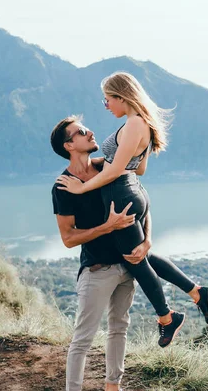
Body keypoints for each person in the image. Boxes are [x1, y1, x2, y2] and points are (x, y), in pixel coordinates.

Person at [55, 72, 208, 348]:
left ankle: (168, 317)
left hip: (121, 195)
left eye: (108, 100)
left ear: (121, 97)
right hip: (133, 192)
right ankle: (197, 292)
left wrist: (82, 188)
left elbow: (117, 169)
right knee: (140, 254)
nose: (106, 106)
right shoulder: (141, 124)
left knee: (134, 259)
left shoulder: (133, 124)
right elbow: (138, 167)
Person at [51, 115, 137, 391]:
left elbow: (141, 199)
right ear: (69, 145)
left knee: (119, 328)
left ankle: (114, 386)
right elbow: (68, 238)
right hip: (97, 270)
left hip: (128, 264)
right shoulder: (63, 186)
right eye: (81, 132)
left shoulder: (108, 169)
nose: (90, 133)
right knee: (83, 340)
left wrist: (147, 242)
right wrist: (107, 227)